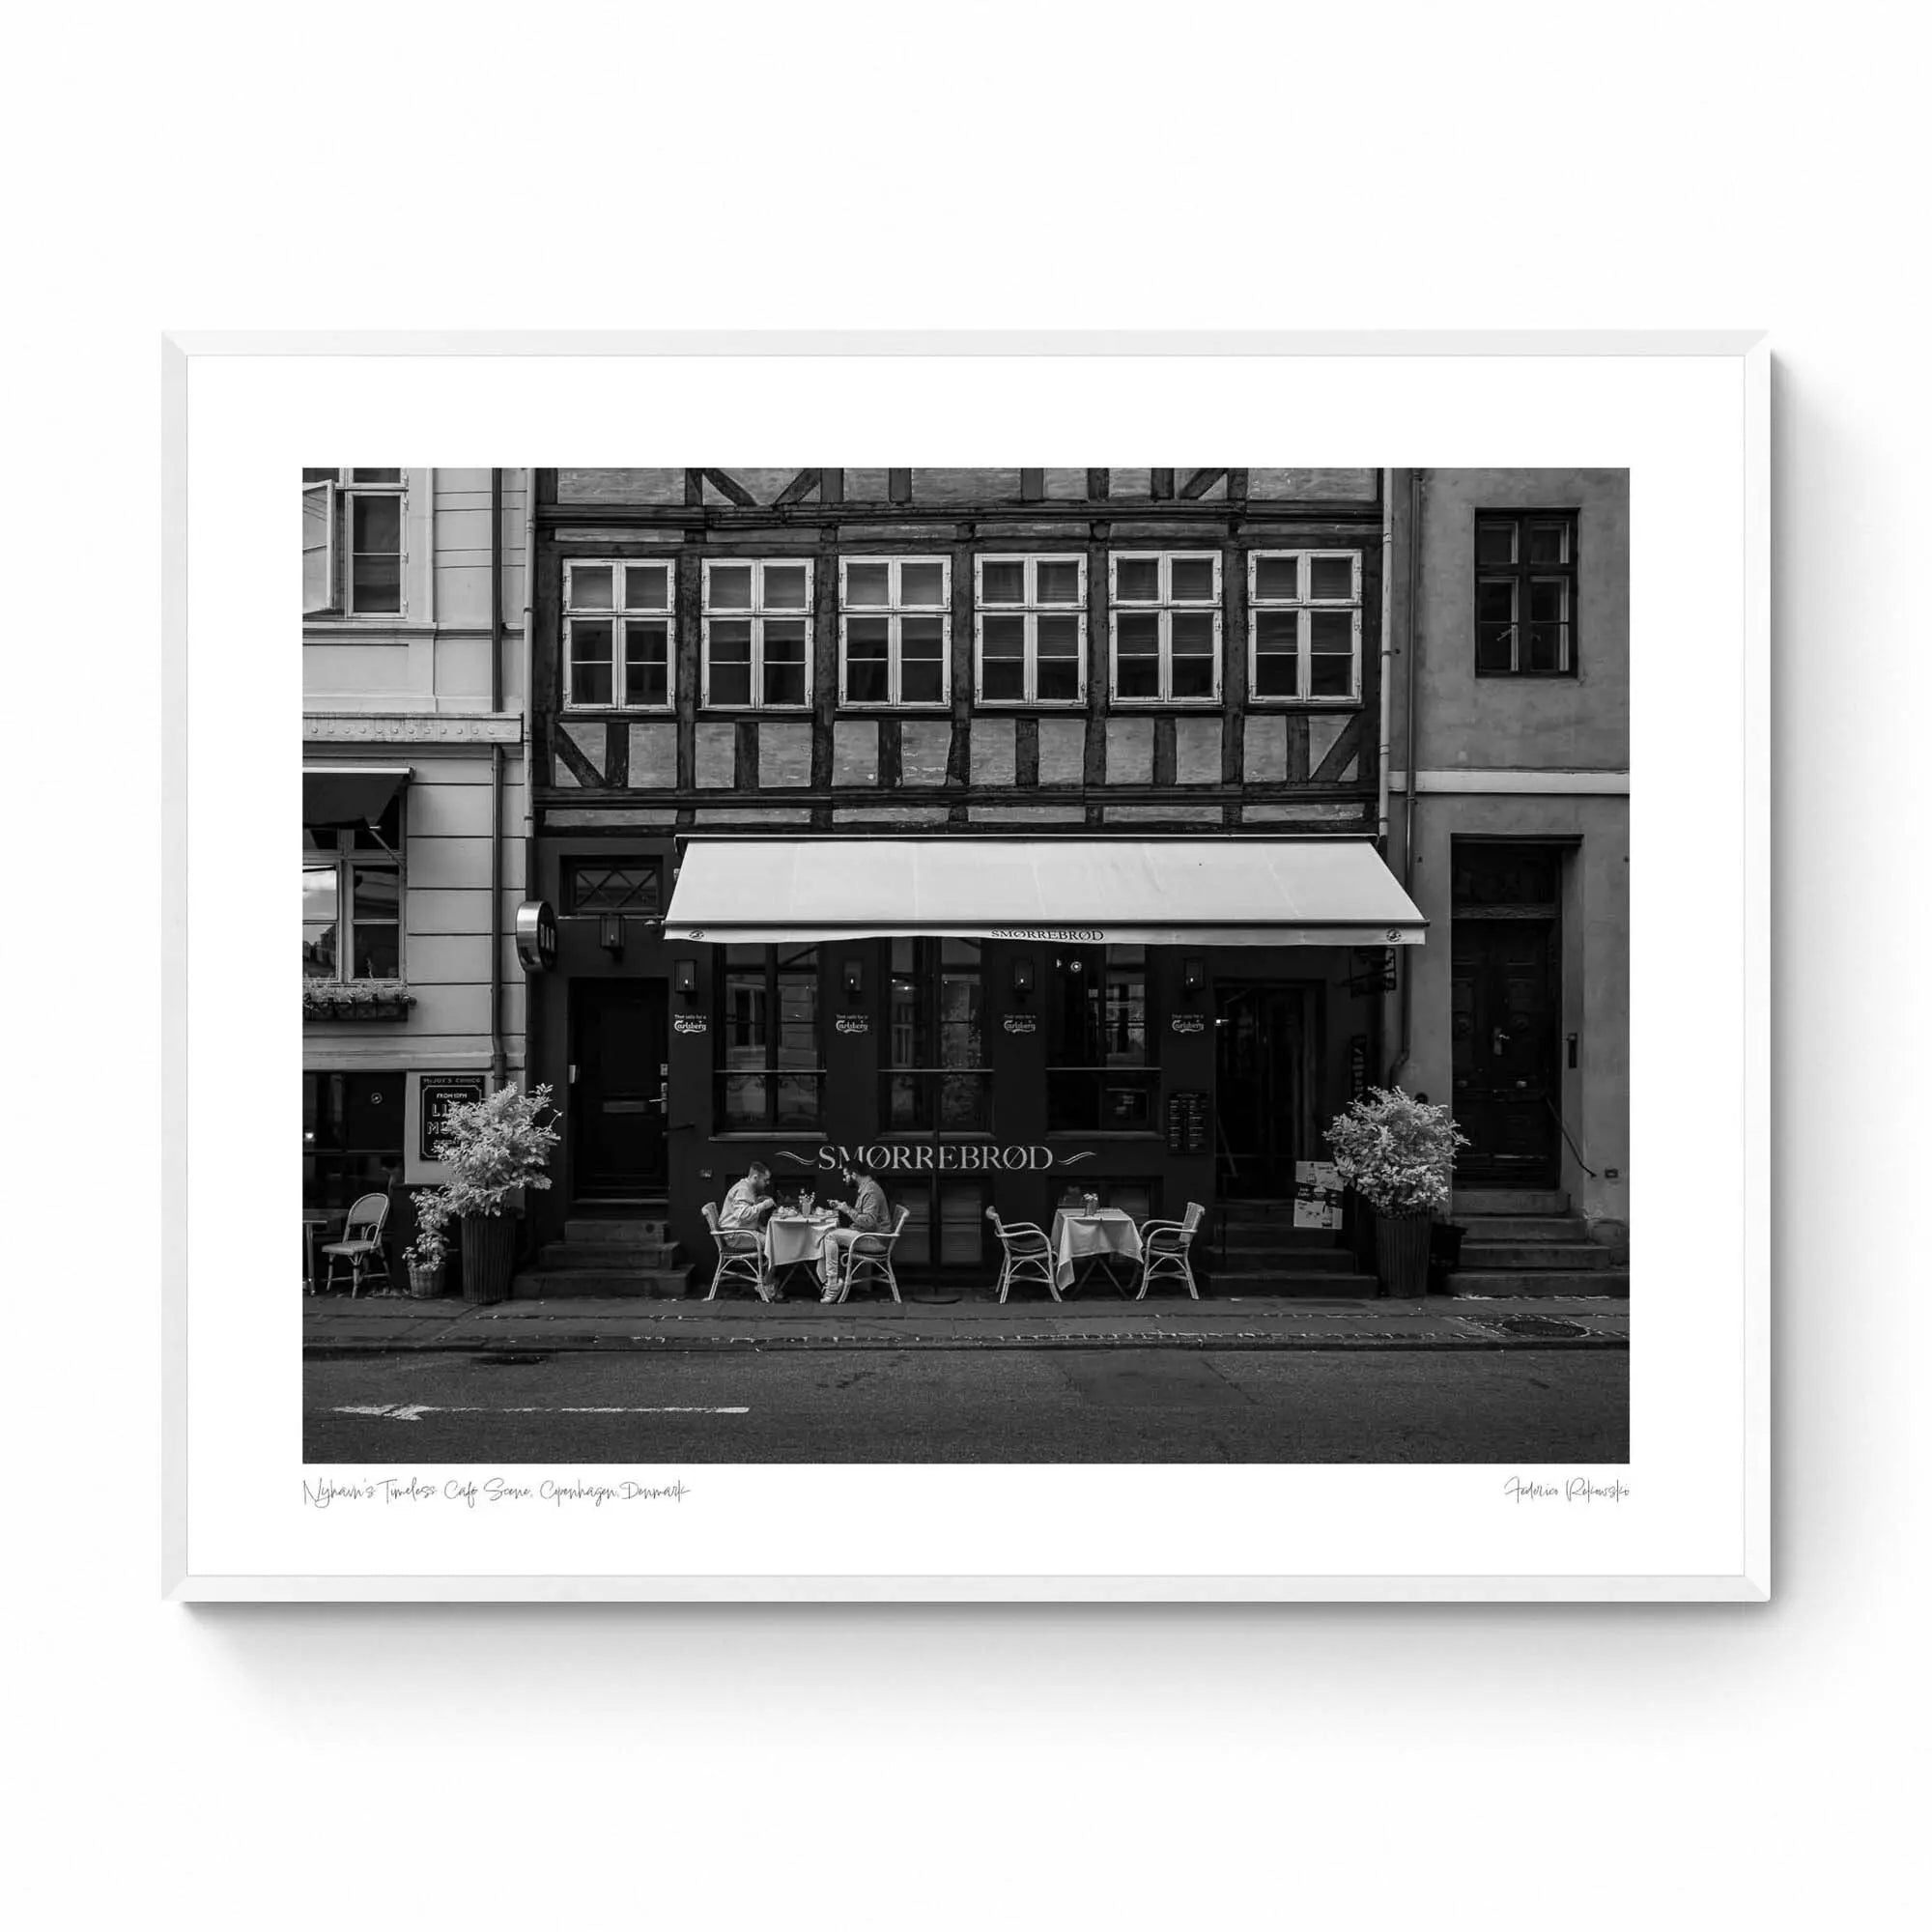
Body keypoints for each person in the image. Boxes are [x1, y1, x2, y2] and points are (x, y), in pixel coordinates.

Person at [819, 1159, 892, 1303]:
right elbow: (864, 1217)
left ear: (854, 1174)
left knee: (829, 1237)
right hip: (868, 1235)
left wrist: (846, 1210)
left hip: (875, 1240)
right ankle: (829, 1281)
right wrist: (842, 1207)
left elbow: (869, 1223)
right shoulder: (866, 1188)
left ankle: (832, 1285)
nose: (844, 1179)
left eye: (845, 1175)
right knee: (827, 1234)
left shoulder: (870, 1191)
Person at [719, 1160, 778, 1293]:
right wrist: (764, 1205)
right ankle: (766, 1286)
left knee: (772, 1238)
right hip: (736, 1236)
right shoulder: (743, 1189)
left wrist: (758, 1226)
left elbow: (743, 1216)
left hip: (739, 1232)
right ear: (755, 1177)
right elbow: (742, 1215)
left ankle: (766, 1281)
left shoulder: (745, 1187)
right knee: (775, 1244)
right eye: (765, 1180)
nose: (767, 1183)